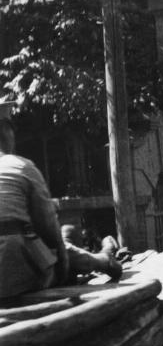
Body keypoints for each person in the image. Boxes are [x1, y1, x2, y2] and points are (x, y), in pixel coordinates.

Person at [0, 110, 121, 299]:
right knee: (60, 248)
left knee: (51, 243)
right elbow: (47, 226)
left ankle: (91, 253)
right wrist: (63, 261)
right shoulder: (21, 166)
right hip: (19, 276)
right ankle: (103, 260)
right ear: (8, 135)